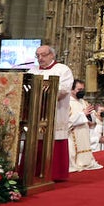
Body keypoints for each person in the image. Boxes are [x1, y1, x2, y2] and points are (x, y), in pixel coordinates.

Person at [32, 44, 73, 181]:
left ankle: (55, 173)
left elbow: (64, 89)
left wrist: (40, 90)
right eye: (38, 55)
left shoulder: (63, 70)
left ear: (52, 55)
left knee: (54, 140)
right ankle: (32, 172)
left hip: (55, 112)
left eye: (43, 55)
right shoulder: (32, 71)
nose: (40, 58)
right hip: (34, 114)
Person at [67, 80, 103, 172]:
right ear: (71, 89)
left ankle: (85, 162)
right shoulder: (67, 103)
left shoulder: (84, 102)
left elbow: (93, 120)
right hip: (72, 134)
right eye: (79, 89)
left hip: (84, 132)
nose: (82, 91)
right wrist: (82, 114)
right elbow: (67, 122)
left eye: (83, 89)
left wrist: (89, 115)